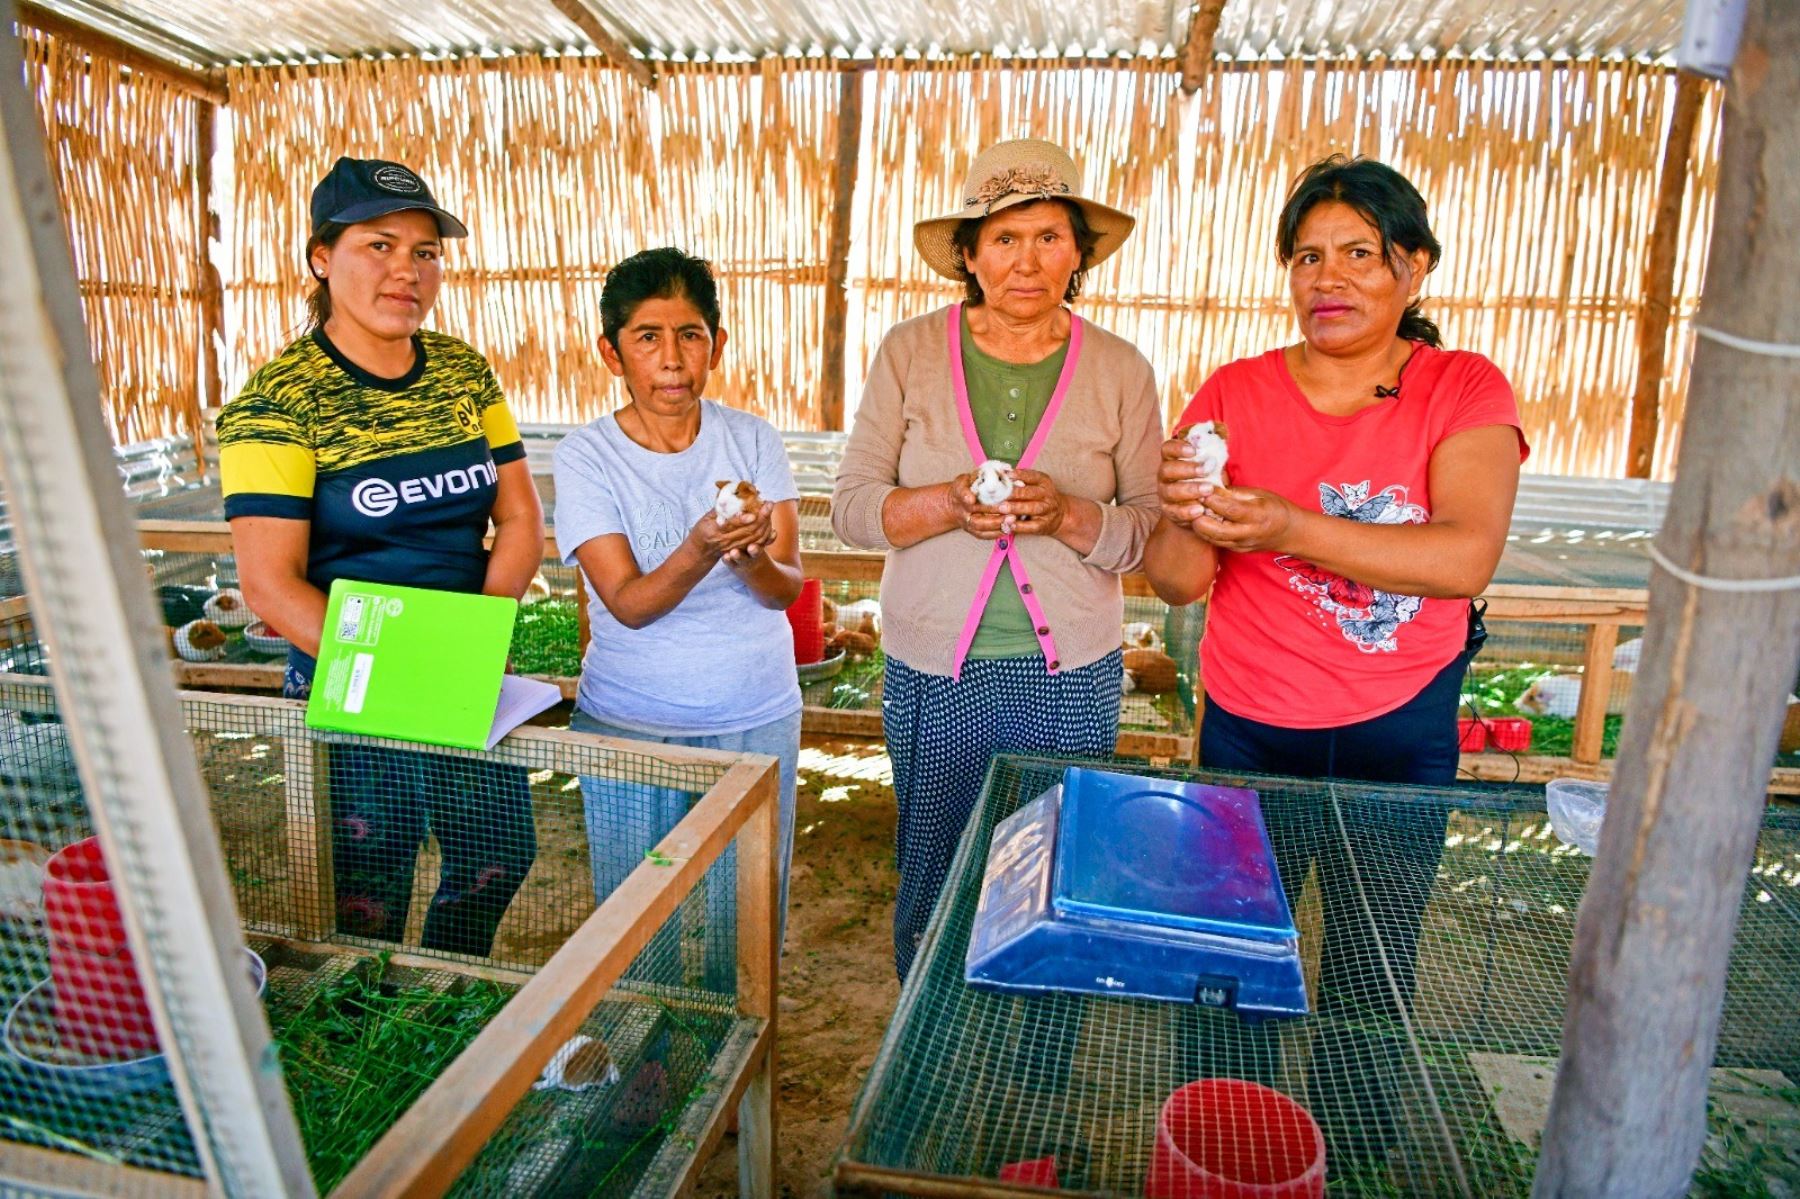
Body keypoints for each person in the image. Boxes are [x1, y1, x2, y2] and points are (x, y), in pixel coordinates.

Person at [1144, 154, 1529, 1163]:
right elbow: (1180, 581)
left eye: (1361, 252)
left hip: (1394, 730)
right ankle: (1231, 1150)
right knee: (1232, 967)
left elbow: (1463, 554)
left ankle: (1351, 1157)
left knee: (1372, 968)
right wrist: (1184, 505)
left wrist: (1284, 522)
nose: (1330, 277)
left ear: (1415, 269)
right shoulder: (1235, 390)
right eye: (1308, 255)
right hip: (1248, 724)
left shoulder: (1463, 387)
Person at [833, 139, 1164, 981]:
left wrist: (1071, 515)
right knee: (937, 876)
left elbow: (1148, 528)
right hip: (936, 669)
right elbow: (853, 510)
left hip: (1069, 673)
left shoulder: (1122, 370)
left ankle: (1035, 1070)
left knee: (1053, 880)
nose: (1027, 261)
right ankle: (935, 1047)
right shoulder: (908, 353)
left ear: (1079, 252)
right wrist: (947, 500)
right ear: (970, 255)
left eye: (1050, 236)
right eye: (1005, 239)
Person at [221, 157, 544, 957]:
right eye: (380, 245)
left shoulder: (464, 373)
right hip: (350, 671)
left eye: (426, 251)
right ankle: (364, 1028)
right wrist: (405, 672)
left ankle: (441, 997)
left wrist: (473, 641)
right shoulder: (277, 402)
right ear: (322, 257)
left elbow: (521, 516)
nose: (407, 270)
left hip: (466, 667)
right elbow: (268, 585)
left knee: (498, 855)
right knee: (367, 883)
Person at [553, 247, 803, 990]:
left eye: (691, 335)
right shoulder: (587, 456)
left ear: (717, 346)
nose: (672, 359)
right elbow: (626, 604)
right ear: (612, 351)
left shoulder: (751, 438)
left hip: (755, 717)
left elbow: (785, 587)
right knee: (636, 933)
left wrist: (749, 555)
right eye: (647, 337)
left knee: (747, 930)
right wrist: (701, 546)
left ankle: (735, 1102)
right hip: (633, 722)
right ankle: (647, 1085)